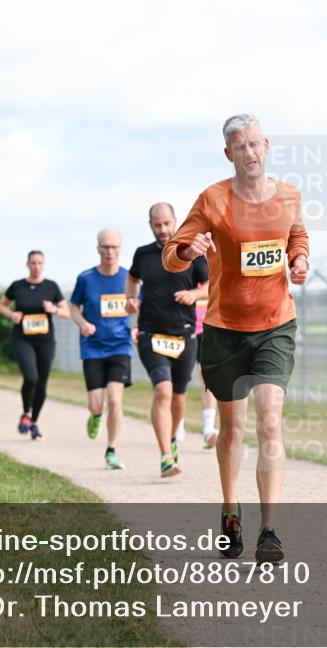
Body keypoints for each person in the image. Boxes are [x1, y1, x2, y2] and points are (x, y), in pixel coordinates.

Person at [163, 113, 310, 563]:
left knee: (269, 421)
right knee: (233, 429)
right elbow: (173, 255)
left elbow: (297, 234)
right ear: (229, 153)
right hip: (225, 329)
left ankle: (269, 531)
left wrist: (299, 259)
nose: (249, 152)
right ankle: (230, 509)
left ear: (266, 147)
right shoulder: (212, 199)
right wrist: (190, 249)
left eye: (255, 144)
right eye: (240, 146)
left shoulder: (288, 195)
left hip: (275, 324)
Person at [126, 202, 209, 477]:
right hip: (151, 333)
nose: (162, 229)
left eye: (166, 223)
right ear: (150, 225)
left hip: (185, 334)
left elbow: (211, 286)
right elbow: (132, 279)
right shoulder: (143, 254)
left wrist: (194, 296)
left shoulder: (191, 252)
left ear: (175, 221)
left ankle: (172, 440)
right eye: (157, 224)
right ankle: (165, 456)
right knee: (162, 390)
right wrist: (130, 300)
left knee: (178, 398)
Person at [69, 229, 133, 471]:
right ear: (98, 249)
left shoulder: (129, 278)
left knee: (115, 401)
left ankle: (112, 449)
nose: (110, 252)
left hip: (120, 345)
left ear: (120, 249)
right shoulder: (86, 278)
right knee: (97, 405)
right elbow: (74, 305)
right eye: (105, 247)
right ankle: (96, 415)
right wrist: (83, 323)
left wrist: (137, 328)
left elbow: (140, 305)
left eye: (114, 247)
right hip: (93, 347)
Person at [0, 250, 68, 441]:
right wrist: (11, 314)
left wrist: (53, 309)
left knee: (42, 382)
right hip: (23, 338)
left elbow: (66, 312)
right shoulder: (17, 286)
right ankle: (25, 412)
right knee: (31, 377)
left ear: (43, 265)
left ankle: (34, 422)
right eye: (33, 263)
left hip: (45, 340)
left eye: (40, 263)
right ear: (27, 264)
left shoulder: (51, 287)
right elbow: (2, 305)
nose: (36, 267)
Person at [194, 293, 219, 449]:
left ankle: (209, 429)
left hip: (208, 327)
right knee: (176, 380)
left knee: (207, 377)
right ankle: (176, 428)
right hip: (185, 327)